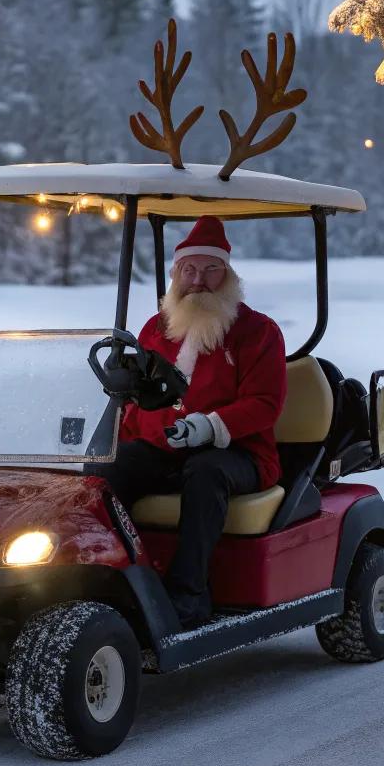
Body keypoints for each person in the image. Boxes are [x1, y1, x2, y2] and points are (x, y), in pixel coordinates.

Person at [104, 215, 286, 627]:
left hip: (238, 453)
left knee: (205, 471)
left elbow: (264, 404)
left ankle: (189, 594)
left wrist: (210, 426)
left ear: (228, 275)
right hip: (163, 449)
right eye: (189, 270)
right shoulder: (155, 329)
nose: (198, 280)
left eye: (210, 270)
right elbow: (138, 399)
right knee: (109, 471)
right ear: (175, 275)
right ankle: (116, 578)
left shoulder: (258, 332)